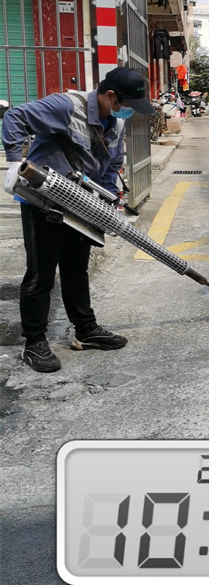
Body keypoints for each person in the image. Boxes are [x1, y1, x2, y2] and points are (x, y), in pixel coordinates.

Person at [2, 67, 154, 374]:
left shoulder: (116, 124)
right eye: (127, 105)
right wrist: (14, 163)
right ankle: (35, 342)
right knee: (41, 275)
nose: (128, 112)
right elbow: (15, 117)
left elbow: (110, 167)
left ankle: (86, 330)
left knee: (76, 269)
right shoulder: (66, 107)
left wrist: (106, 206)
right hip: (43, 201)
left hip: (80, 205)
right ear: (110, 96)